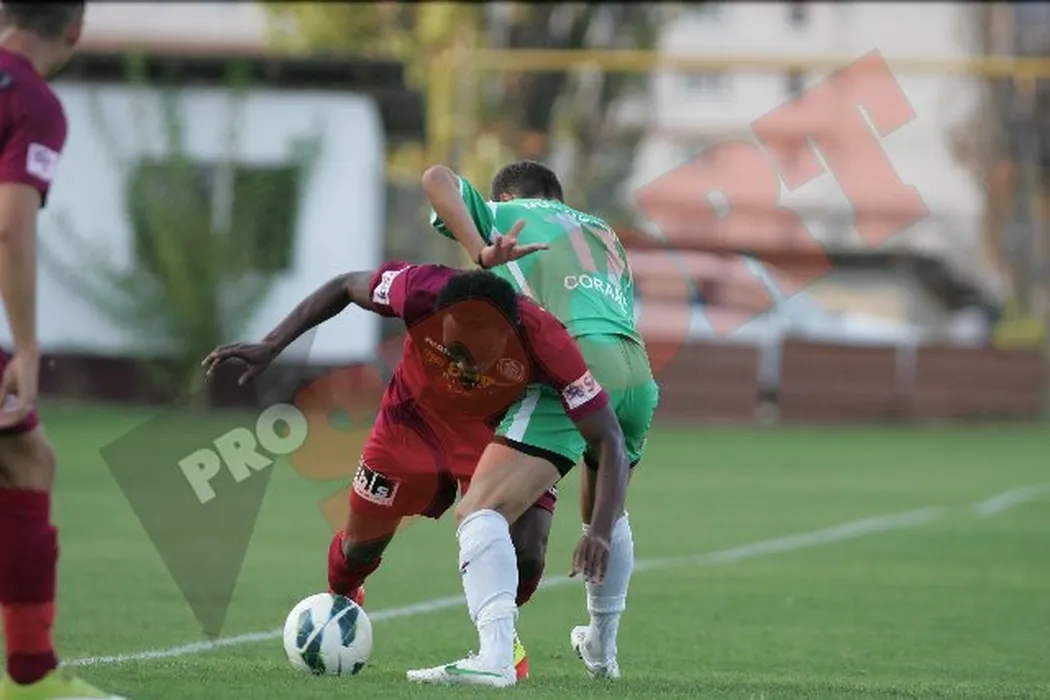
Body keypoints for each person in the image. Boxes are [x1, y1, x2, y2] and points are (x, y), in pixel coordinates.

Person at [203, 255, 629, 687]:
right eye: (454, 349)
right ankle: (343, 603)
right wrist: (272, 344)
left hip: (494, 435)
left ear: (506, 333)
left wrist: (599, 531)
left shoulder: (545, 339)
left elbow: (610, 437)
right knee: (356, 552)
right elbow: (344, 285)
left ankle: (499, 644)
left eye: (475, 355)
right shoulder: (418, 290)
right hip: (409, 424)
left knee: (529, 554)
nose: (462, 365)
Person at [411, 160, 660, 682]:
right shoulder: (602, 231)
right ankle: (602, 650)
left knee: (479, 509)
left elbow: (437, 178)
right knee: (604, 513)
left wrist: (481, 250)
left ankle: (495, 658)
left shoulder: (509, 214)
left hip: (578, 359)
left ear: (506, 196)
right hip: (636, 371)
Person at [0, 4, 127, 700]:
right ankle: (30, 676)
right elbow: (10, 226)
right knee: (27, 461)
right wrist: (26, 346)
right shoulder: (29, 100)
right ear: (75, 29)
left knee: (26, 455)